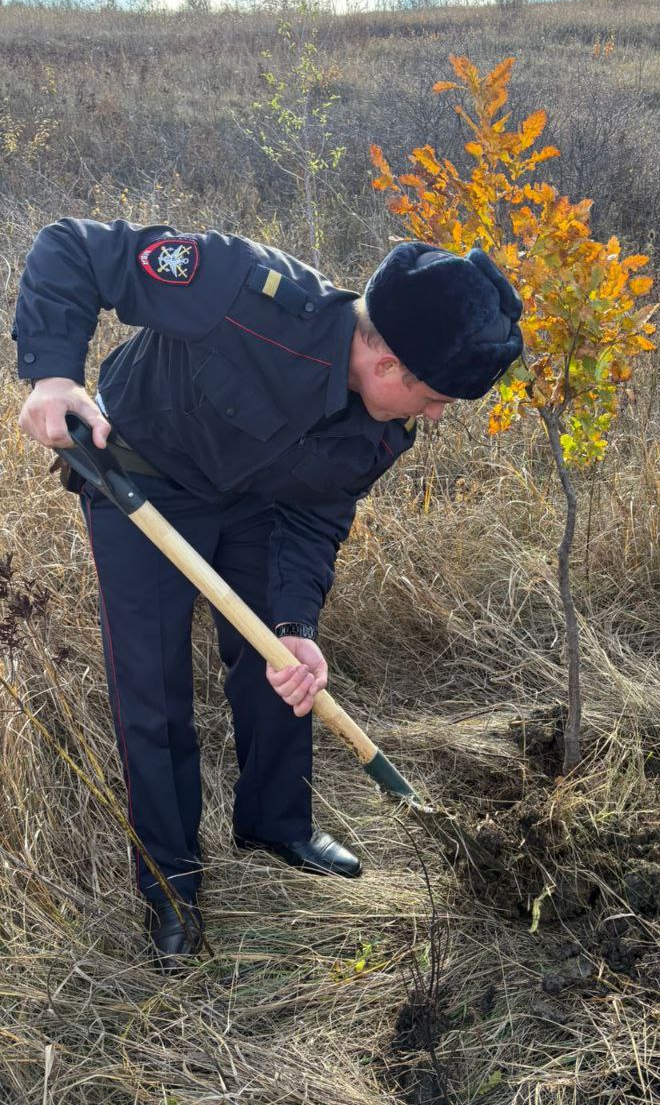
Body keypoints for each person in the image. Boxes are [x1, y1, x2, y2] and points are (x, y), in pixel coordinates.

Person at [12, 219, 523, 968]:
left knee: (279, 670)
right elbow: (77, 249)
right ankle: (170, 882)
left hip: (258, 503)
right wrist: (53, 375)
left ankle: (276, 823)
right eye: (438, 397)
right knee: (151, 688)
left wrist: (296, 621)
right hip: (142, 480)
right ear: (388, 363)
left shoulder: (381, 430)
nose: (438, 416)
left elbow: (317, 515)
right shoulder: (243, 291)